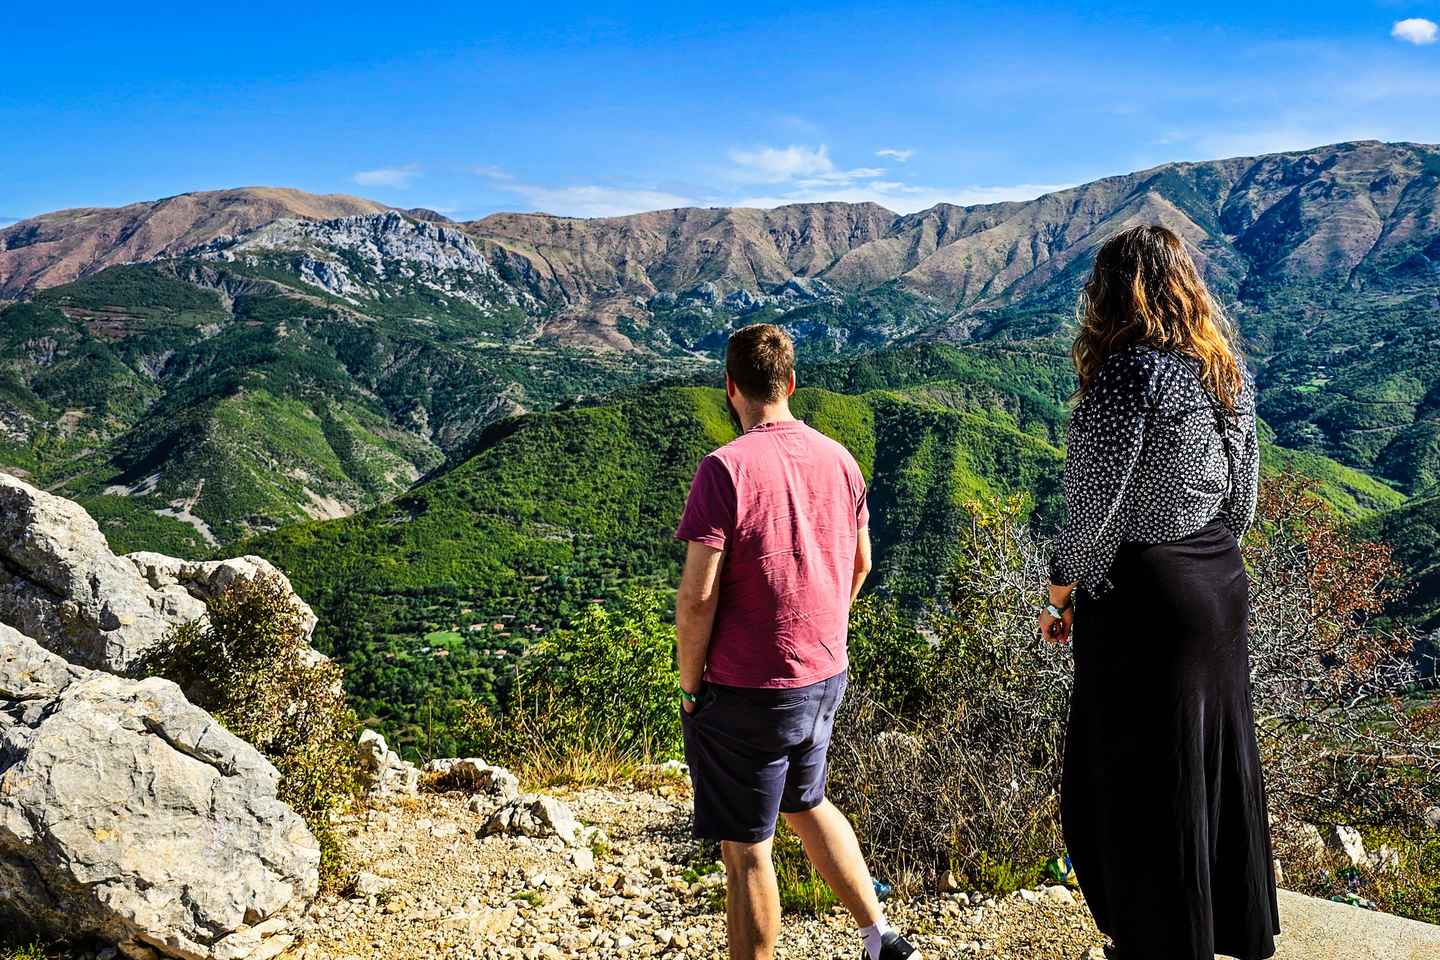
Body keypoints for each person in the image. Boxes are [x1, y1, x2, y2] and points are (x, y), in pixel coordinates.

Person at [1039, 225, 1281, 960]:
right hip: (1218, 583)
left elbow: (1096, 510)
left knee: (1130, 772)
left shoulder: (1125, 376)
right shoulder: (1222, 370)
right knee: (1213, 760)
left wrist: (1059, 593)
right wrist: (1206, 558)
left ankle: (1155, 939)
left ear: (1111, 294)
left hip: (1148, 594)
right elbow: (1242, 502)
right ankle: (1221, 927)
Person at [673, 323, 920, 960]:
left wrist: (691, 685)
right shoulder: (840, 458)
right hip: (822, 674)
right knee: (807, 803)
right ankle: (878, 937)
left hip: (747, 686)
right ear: (791, 382)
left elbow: (698, 596)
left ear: (731, 388)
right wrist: (822, 631)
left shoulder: (723, 469)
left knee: (747, 852)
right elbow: (862, 563)